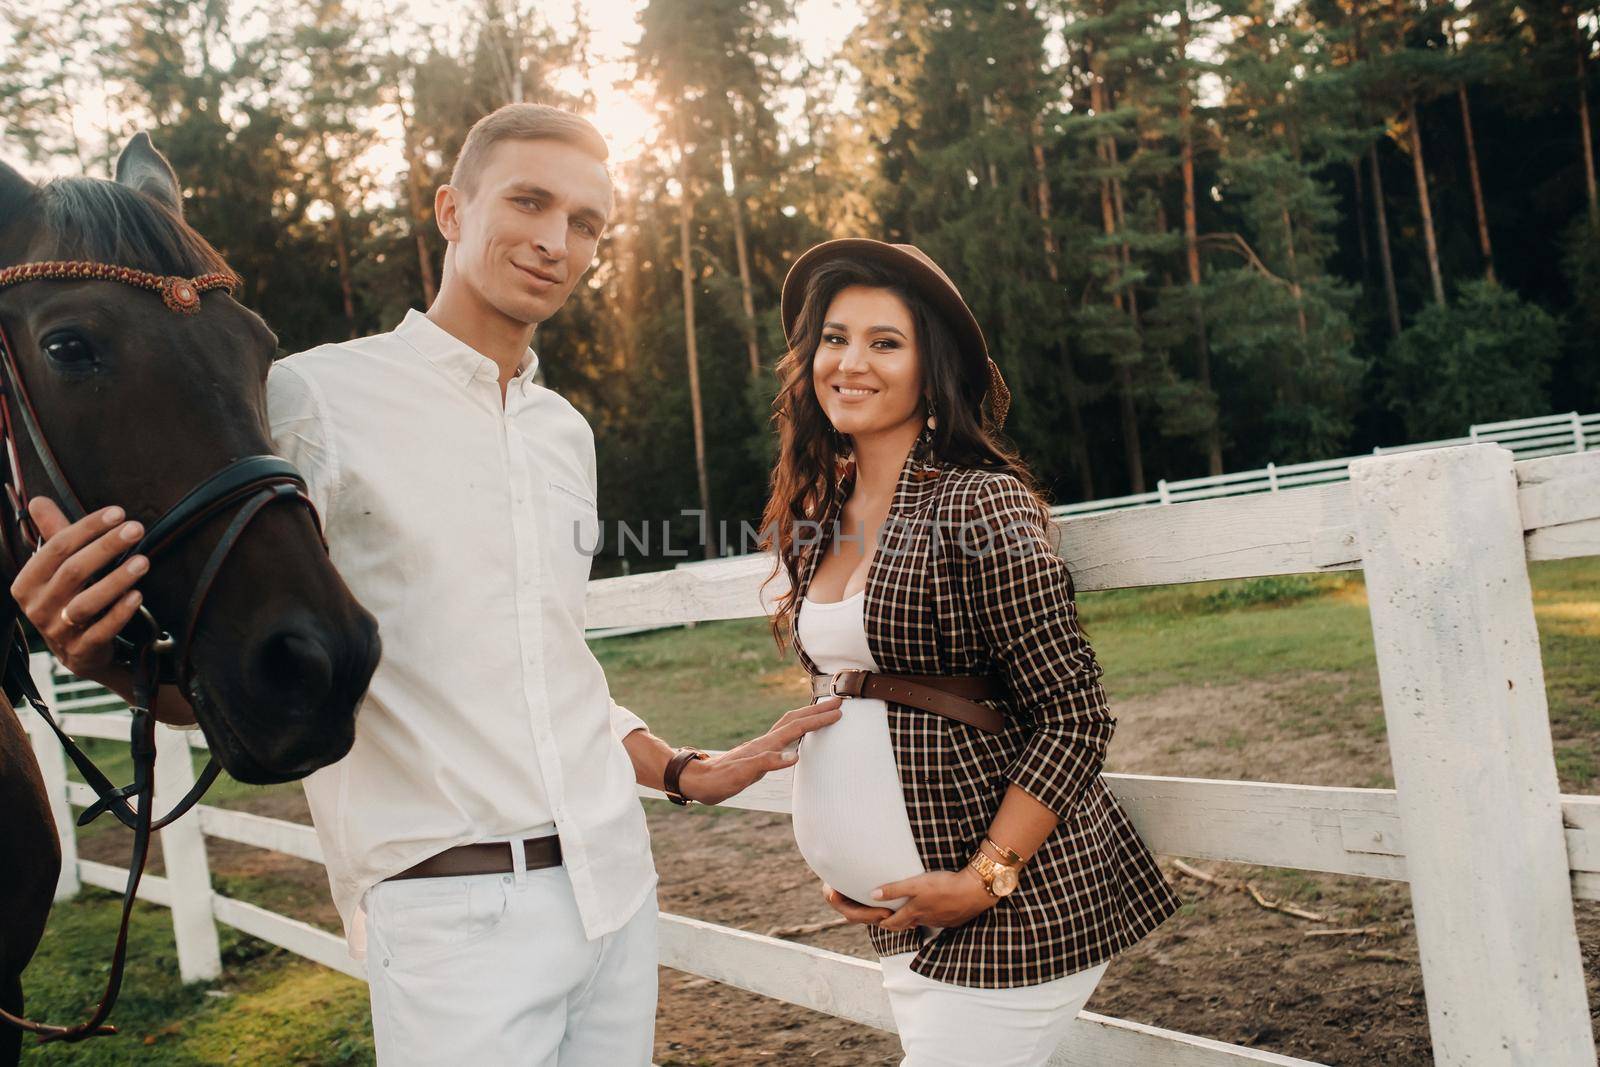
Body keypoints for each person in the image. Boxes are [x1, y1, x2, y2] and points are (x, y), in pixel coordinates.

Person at [11, 105, 842, 1065]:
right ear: (450, 209)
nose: (553, 241)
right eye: (528, 201)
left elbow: (543, 662)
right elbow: (231, 653)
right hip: (453, 913)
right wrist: (102, 650)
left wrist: (682, 769)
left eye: (585, 224)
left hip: (618, 890)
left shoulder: (561, 431)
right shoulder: (309, 399)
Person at [760, 238, 1182, 1067]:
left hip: (1006, 912)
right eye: (835, 337)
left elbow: (1073, 715)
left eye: (885, 342)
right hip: (903, 921)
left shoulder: (979, 502)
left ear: (932, 368)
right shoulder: (820, 511)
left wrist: (985, 875)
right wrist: (848, 853)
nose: (850, 361)